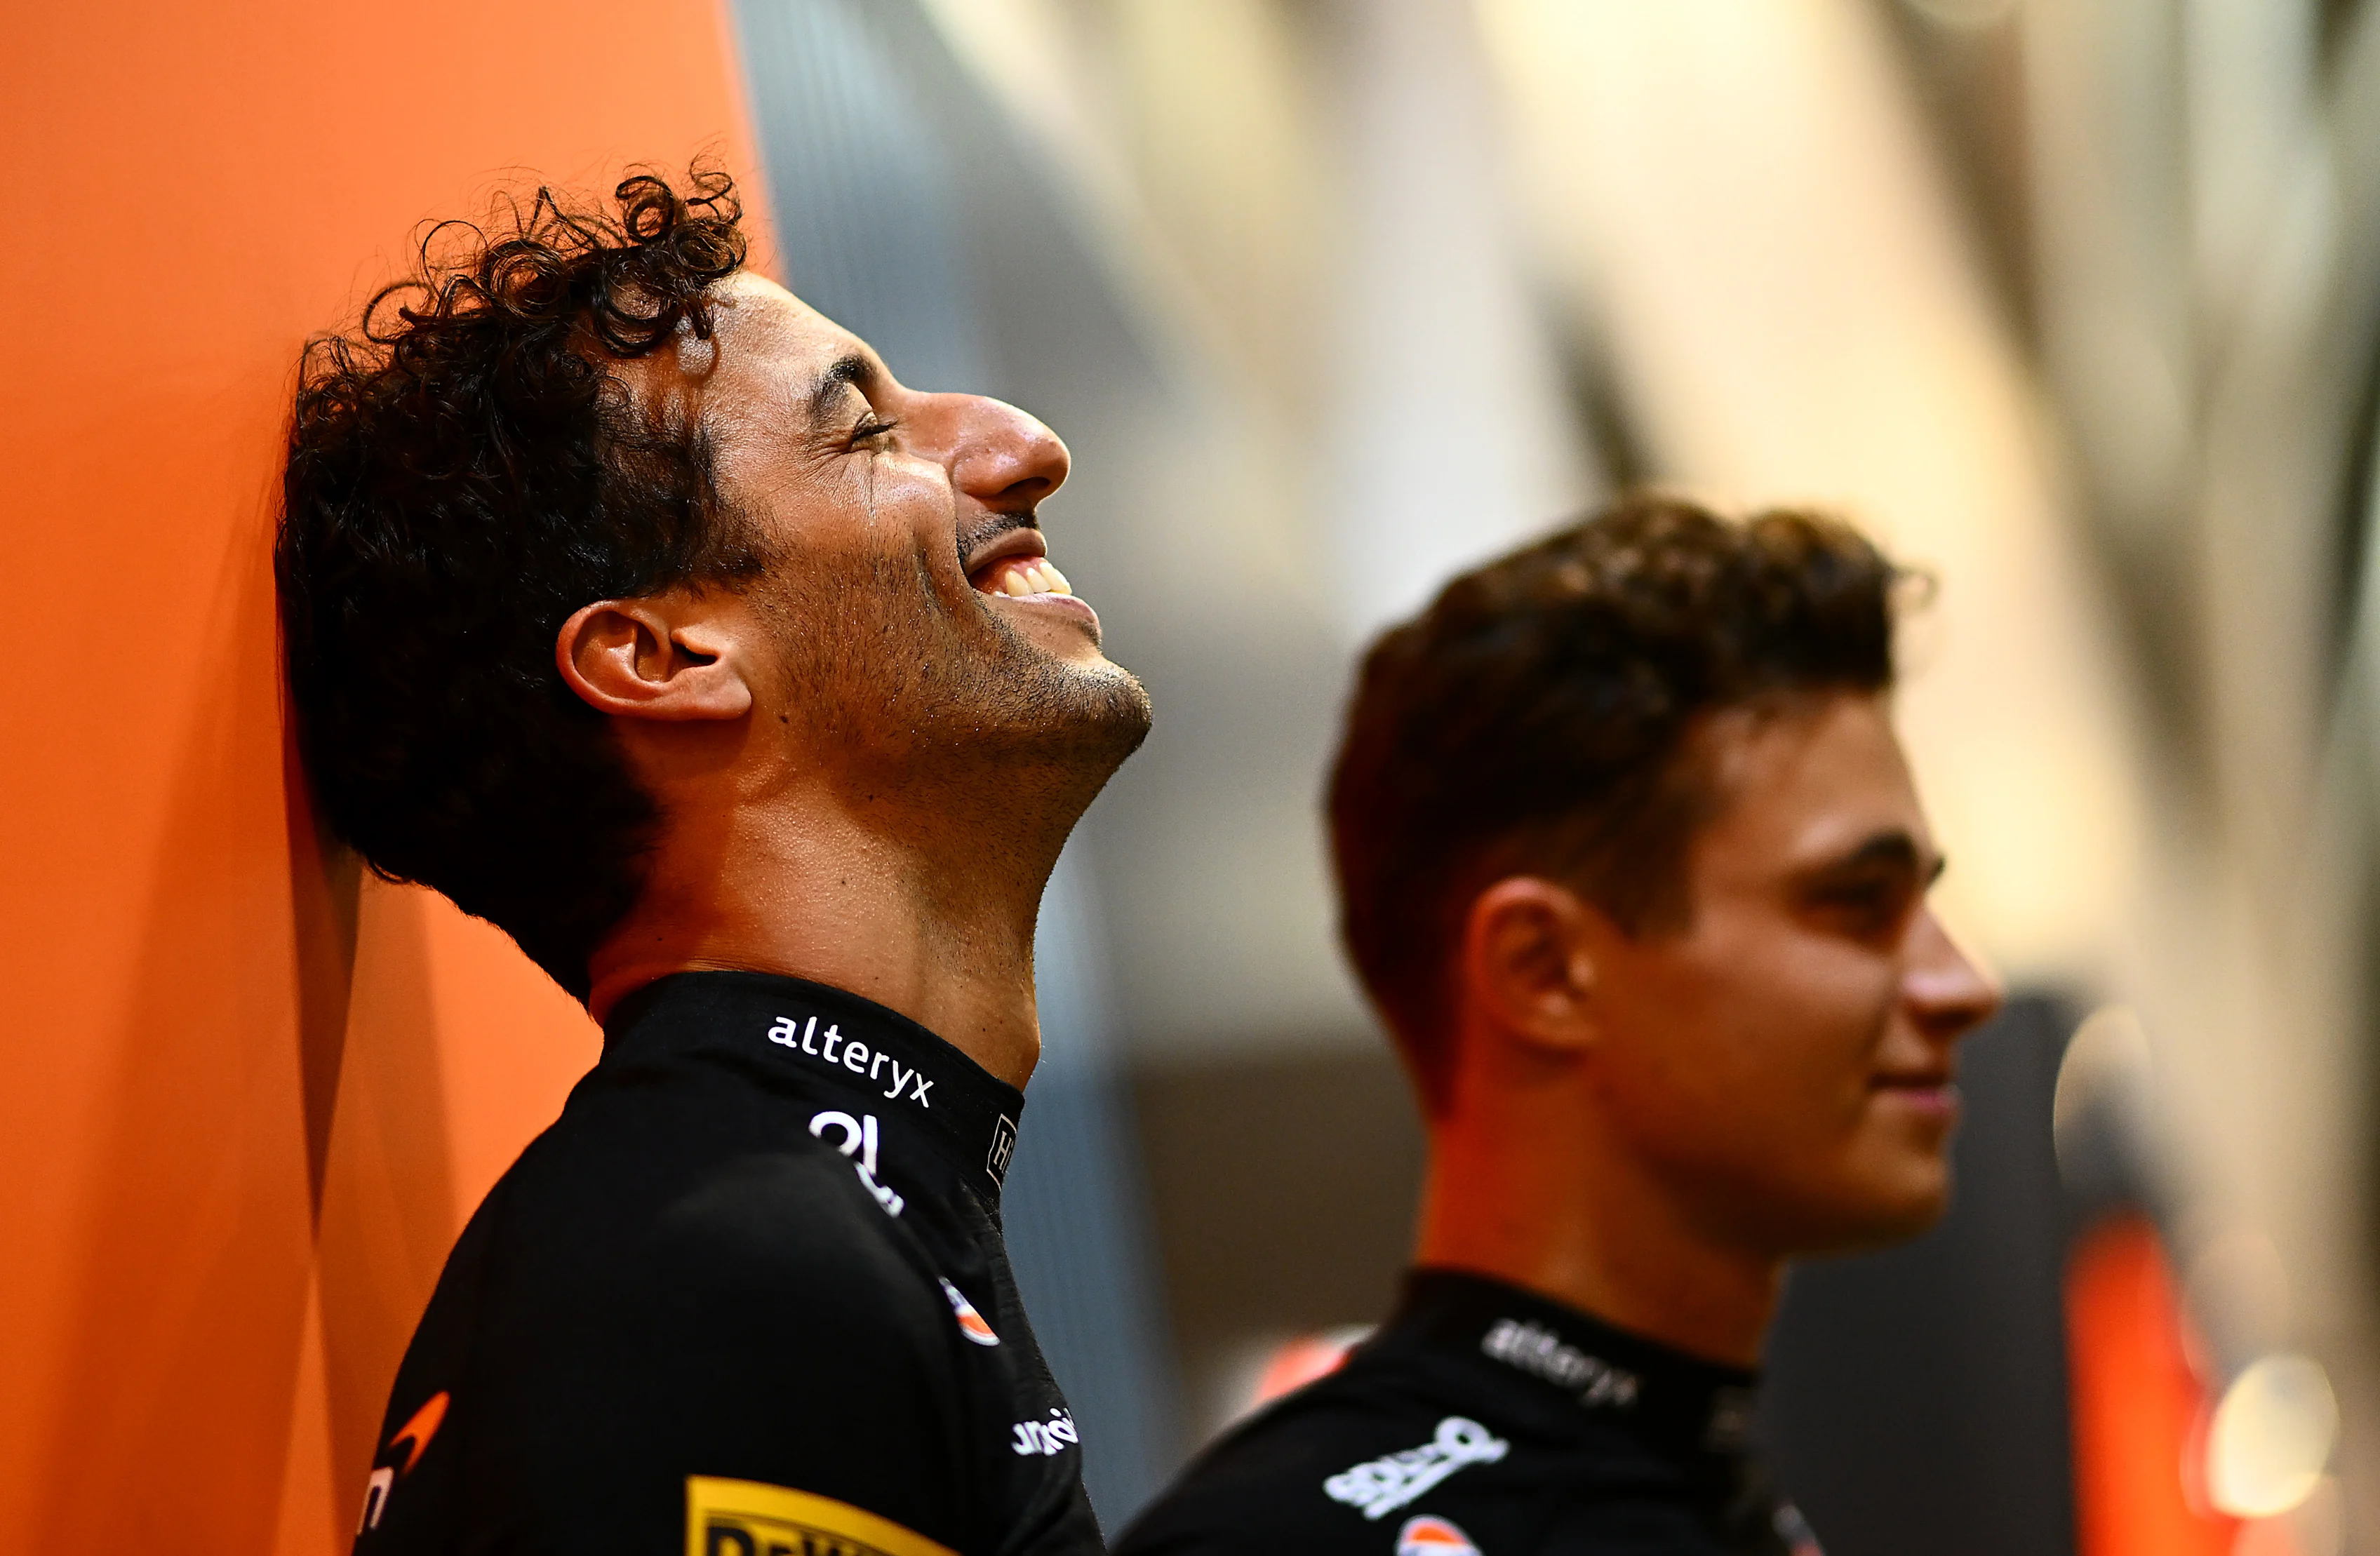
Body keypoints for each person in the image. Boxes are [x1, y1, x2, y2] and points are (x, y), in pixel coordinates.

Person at [278, 168, 1148, 1556]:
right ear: (663, 657)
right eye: (866, 428)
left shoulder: (787, 1220)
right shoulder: (721, 1271)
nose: (1021, 442)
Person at [1117, 497, 2003, 1556]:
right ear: (1544, 969)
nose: (1963, 984)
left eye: (1930, 907)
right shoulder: (1287, 1544)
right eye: (1858, 903)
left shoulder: (1720, 1498)